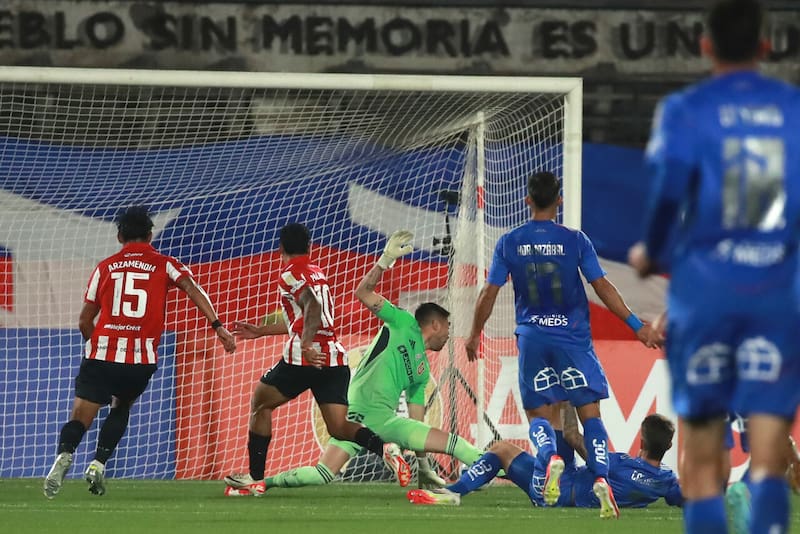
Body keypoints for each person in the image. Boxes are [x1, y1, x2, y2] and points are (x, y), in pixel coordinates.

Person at [627, 0, 800, 531]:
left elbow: (667, 190)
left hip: (706, 297)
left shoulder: (685, 109)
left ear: (706, 46)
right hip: (773, 293)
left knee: (701, 458)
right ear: (765, 47)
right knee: (769, 450)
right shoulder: (792, 107)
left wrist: (649, 252)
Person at [465, 170, 658, 513]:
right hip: (573, 340)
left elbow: (488, 292)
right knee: (591, 417)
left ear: (527, 200)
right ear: (559, 200)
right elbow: (602, 287)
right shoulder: (576, 240)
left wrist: (475, 333)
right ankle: (601, 478)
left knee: (539, 414)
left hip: (533, 339)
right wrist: (636, 326)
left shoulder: (509, 242)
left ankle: (551, 456)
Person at [43, 206, 237, 499]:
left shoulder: (105, 267)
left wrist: (97, 347)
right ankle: (98, 462)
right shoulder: (165, 264)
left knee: (80, 416)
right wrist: (218, 326)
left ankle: (65, 454)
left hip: (102, 354)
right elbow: (193, 288)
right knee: (121, 407)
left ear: (120, 236)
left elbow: (84, 320)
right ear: (150, 235)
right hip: (139, 360)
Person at [224, 223, 408, 496]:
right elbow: (304, 316)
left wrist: (307, 344)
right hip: (333, 358)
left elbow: (313, 308)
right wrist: (261, 330)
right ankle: (384, 448)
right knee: (339, 427)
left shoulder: (288, 275)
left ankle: (255, 479)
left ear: (281, 248)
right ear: (309, 247)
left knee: (260, 402)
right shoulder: (316, 272)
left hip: (304, 357)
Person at [331, 230, 483, 471]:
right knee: (323, 474)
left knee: (456, 443)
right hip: (356, 414)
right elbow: (362, 293)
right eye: (448, 326)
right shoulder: (402, 321)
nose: (449, 334)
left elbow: (417, 424)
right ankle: (261, 483)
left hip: (385, 421)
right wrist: (384, 261)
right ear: (435, 324)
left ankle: (504, 467)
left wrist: (423, 466)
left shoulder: (422, 371)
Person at [408, 407, 683, 519]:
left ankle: (455, 491)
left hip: (560, 490)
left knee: (503, 448)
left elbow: (576, 439)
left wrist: (574, 402)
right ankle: (460, 487)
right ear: (668, 446)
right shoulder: (665, 481)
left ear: (642, 442)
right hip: (572, 484)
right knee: (510, 450)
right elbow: (683, 498)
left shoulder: (619, 464)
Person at [224, 441, 444, 495]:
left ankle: (261, 484)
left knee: (323, 474)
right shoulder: (415, 362)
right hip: (384, 422)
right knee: (420, 435)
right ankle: (384, 447)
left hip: (354, 420)